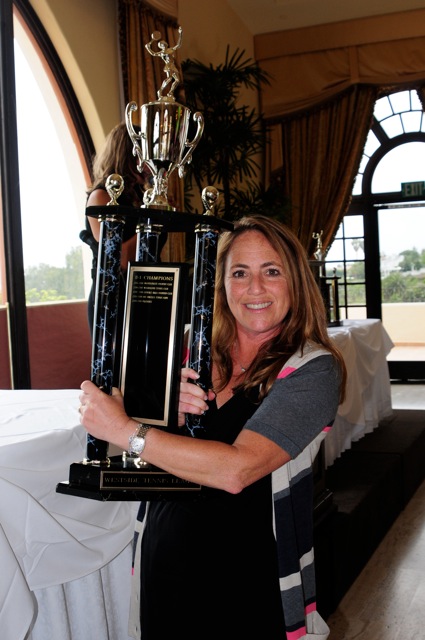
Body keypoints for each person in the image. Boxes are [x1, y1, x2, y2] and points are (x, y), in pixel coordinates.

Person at [78, 214, 347, 640]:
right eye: (239, 272)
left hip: (246, 588)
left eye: (271, 271)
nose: (254, 288)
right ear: (219, 283)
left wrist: (129, 428)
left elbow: (236, 471)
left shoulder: (312, 370)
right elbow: (130, 462)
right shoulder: (185, 350)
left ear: (295, 281)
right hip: (163, 573)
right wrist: (155, 420)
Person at [82, 122, 153, 335]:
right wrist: (149, 223)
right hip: (111, 298)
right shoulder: (101, 196)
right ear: (128, 155)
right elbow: (118, 258)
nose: (149, 164)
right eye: (144, 155)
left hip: (143, 294)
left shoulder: (141, 197)